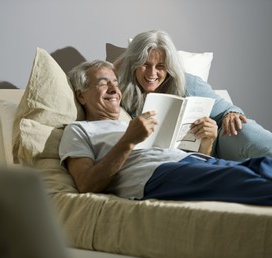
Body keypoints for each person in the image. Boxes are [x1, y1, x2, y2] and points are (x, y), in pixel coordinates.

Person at [59, 60, 272, 206]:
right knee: (246, 181)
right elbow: (86, 184)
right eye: (103, 83)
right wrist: (128, 141)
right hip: (156, 175)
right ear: (81, 96)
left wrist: (207, 141)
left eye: (115, 82)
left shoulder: (131, 122)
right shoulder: (78, 129)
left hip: (191, 161)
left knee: (263, 166)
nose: (114, 89)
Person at [116, 29, 272, 162]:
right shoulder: (120, 91)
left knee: (244, 129)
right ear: (134, 63)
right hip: (185, 161)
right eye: (145, 64)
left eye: (160, 66)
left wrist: (232, 113)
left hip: (217, 145)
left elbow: (228, 110)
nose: (152, 73)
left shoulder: (189, 84)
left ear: (169, 67)